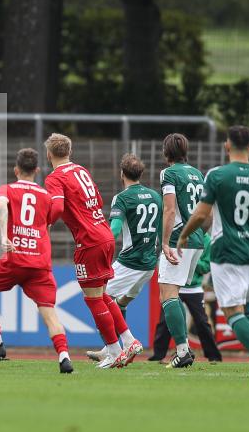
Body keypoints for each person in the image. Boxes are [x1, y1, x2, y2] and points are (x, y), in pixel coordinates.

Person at [177, 125, 249, 382]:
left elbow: (201, 214)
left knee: (232, 312)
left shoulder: (217, 175)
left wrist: (183, 235)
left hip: (225, 252)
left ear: (227, 146)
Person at [0, 148, 73, 374]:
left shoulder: (6, 189)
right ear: (37, 170)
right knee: (49, 313)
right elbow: (49, 221)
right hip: (40, 264)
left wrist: (3, 236)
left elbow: (1, 206)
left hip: (15, 259)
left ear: (16, 170)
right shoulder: (46, 196)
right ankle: (64, 357)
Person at [44, 134, 140, 368]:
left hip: (89, 240)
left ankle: (115, 351)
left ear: (49, 154)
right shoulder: (81, 170)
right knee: (103, 295)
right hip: (104, 233)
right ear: (69, 151)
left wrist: (45, 224)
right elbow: (97, 200)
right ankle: (129, 341)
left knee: (93, 299)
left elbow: (57, 207)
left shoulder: (54, 178)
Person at [86, 154, 159, 364]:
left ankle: (116, 349)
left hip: (130, 262)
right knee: (121, 302)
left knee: (99, 298)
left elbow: (115, 230)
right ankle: (113, 349)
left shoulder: (122, 198)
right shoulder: (156, 196)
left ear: (121, 174)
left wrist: (99, 248)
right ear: (141, 173)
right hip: (149, 263)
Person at [157, 133, 208, 368]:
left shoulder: (168, 173)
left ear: (166, 152)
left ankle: (182, 350)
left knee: (168, 293)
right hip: (197, 239)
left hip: (179, 239)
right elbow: (205, 210)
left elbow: (169, 210)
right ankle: (184, 347)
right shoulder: (197, 174)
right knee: (171, 293)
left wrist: (165, 242)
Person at [149, 233, 222, 363]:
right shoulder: (176, 235)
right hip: (175, 286)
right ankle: (158, 355)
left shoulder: (206, 240)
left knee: (202, 322)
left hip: (194, 288)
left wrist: (188, 260)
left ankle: (213, 355)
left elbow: (206, 266)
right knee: (164, 322)